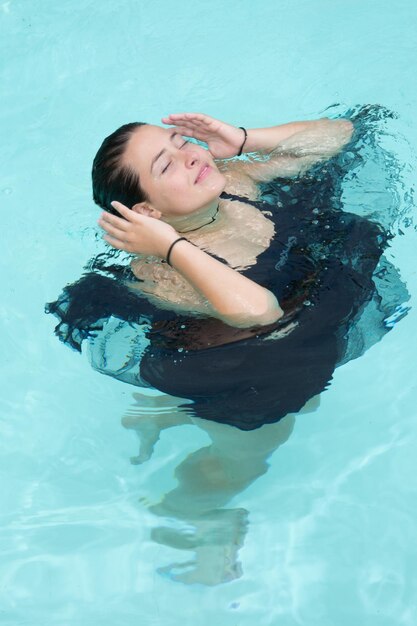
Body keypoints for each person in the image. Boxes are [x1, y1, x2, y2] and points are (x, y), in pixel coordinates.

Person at [46, 106, 408, 429]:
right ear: (146, 214)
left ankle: (167, 420)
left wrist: (242, 140)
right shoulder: (160, 272)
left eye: (181, 141)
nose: (188, 156)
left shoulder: (234, 182)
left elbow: (341, 135)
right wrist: (170, 247)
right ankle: (192, 492)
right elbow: (260, 312)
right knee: (248, 456)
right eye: (166, 164)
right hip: (237, 366)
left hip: (297, 307)